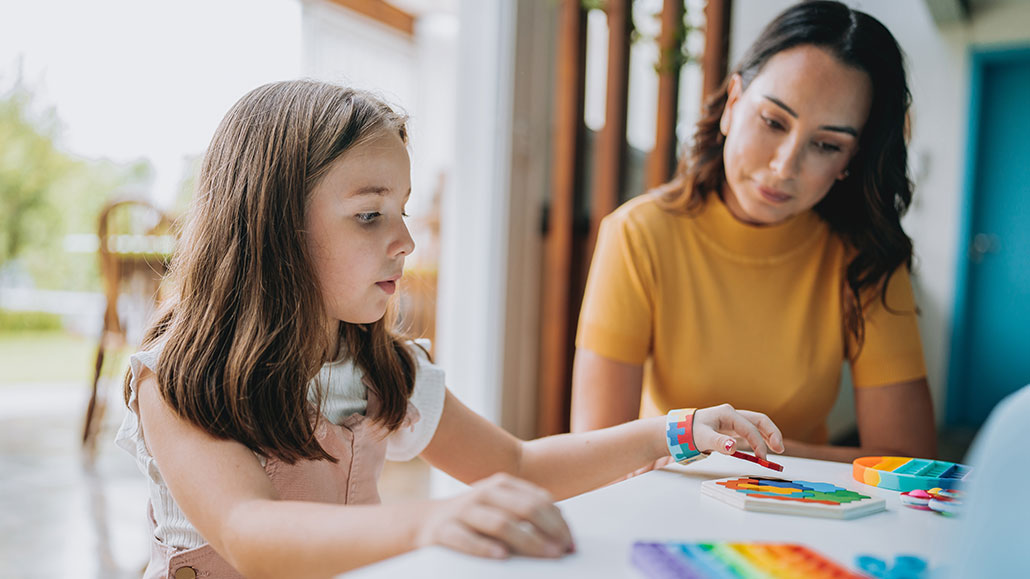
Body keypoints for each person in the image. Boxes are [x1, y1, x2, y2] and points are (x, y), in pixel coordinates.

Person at [114, 80, 784, 579]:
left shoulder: (364, 371)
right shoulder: (180, 378)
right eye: (371, 214)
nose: (405, 239)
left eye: (402, 211)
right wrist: (433, 520)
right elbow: (248, 531)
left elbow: (516, 464)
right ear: (272, 223)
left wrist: (673, 429)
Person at [571, 0, 936, 463]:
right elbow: (597, 449)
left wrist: (741, 449)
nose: (785, 167)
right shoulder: (637, 234)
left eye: (826, 145)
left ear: (851, 161)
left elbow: (911, 462)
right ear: (733, 105)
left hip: (806, 508)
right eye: (773, 121)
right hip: (661, 500)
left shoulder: (866, 256)